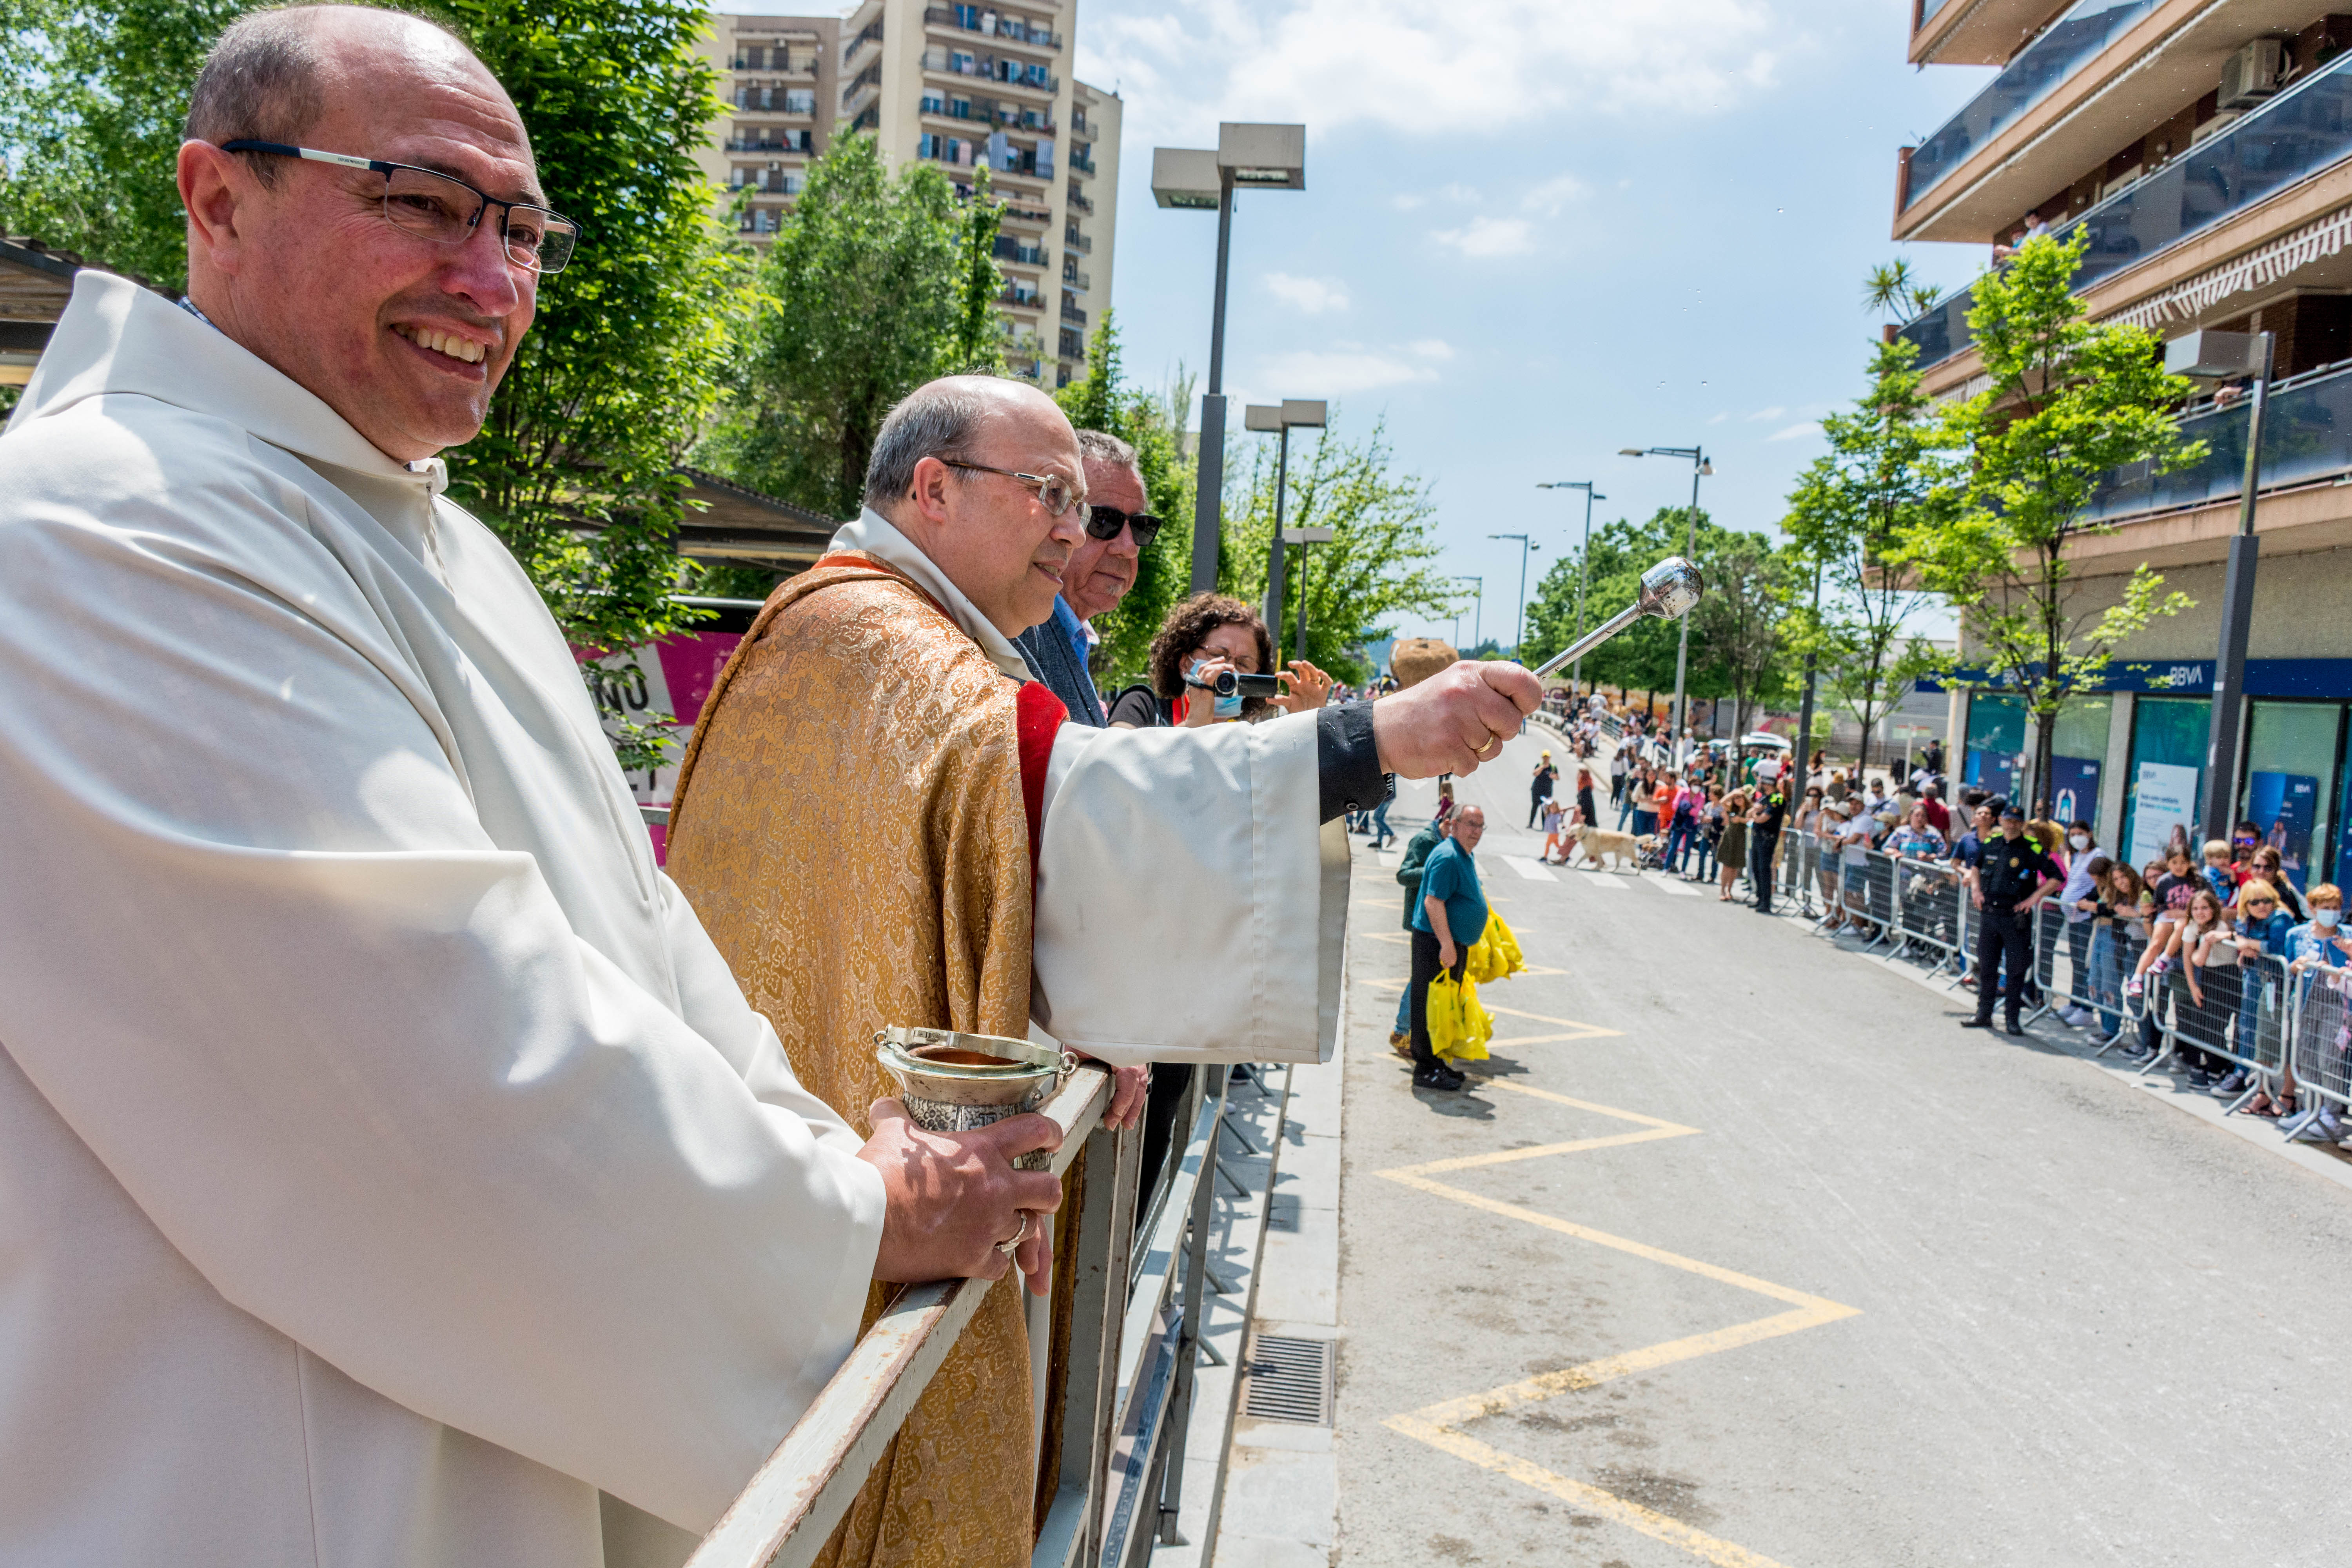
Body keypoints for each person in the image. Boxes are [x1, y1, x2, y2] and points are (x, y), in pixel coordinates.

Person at [0, 10, 1078, 1563]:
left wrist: (841, 1168)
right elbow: (429, 1057)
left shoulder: (438, 536)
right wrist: (859, 1218)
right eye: (422, 203)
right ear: (215, 198)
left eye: (520, 229)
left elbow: (642, 949)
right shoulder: (111, 526)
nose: (492, 281)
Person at [663, 377, 1534, 1564]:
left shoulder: (851, 627)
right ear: (931, 487)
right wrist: (1368, 739)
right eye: (1050, 496)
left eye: (1085, 506)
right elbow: (1077, 811)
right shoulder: (880, 642)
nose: (1073, 533)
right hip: (841, 1184)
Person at [1011, 428, 1152, 726]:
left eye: (1141, 527)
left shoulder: (1070, 632)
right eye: (1103, 521)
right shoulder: (1015, 626)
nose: (1128, 548)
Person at [1962, 804, 2062, 1035]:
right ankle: (1983, 1015)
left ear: (2022, 823)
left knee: (2015, 971)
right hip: (1990, 914)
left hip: (2016, 917)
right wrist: (1976, 890)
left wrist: (2034, 898)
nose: (2011, 824)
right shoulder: (1991, 843)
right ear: (2002, 821)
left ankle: (2012, 1020)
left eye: (2016, 821)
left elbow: (2057, 877)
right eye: (2008, 820)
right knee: (1987, 967)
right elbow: (1975, 868)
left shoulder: (2032, 847)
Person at [1410, 805, 1490, 1092]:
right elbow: (1434, 902)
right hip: (1435, 942)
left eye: (1481, 826)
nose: (1477, 831)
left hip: (1450, 942)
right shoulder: (1447, 856)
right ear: (1454, 824)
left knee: (1445, 1007)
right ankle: (1425, 1068)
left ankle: (1437, 1062)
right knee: (1430, 1006)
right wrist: (1446, 944)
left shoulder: (1462, 853)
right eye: (1471, 824)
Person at [1391, 811, 1452, 1054]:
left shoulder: (1448, 843)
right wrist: (1434, 871)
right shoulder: (1424, 841)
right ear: (1448, 823)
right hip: (1423, 920)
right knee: (1419, 978)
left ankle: (1415, 1030)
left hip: (1438, 922)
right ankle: (1402, 1032)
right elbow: (1404, 875)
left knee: (1425, 977)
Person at [2053, 820, 2102, 1029]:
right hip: (2073, 918)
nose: (2076, 837)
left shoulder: (2098, 856)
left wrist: (2085, 904)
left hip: (2085, 918)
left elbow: (2099, 886)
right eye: (2072, 834)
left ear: (2090, 834)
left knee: (2085, 964)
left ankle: (2086, 1008)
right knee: (2076, 962)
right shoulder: (2078, 855)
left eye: (2080, 833)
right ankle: (2075, 1002)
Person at [1717, 789, 1749, 902]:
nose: (1738, 800)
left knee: (1734, 867)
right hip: (1729, 838)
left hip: (1741, 839)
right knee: (1726, 866)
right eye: (1736, 798)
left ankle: (1729, 890)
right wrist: (1732, 793)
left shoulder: (1749, 810)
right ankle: (1722, 890)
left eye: (1740, 797)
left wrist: (1740, 820)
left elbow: (1752, 820)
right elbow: (1722, 802)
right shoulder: (1732, 808)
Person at [1529, 750, 1557, 828]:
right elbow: (1535, 773)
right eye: (1545, 757)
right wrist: (1543, 767)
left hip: (1547, 791)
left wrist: (1554, 776)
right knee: (1535, 807)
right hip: (1537, 790)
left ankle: (1544, 825)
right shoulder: (1539, 765)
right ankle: (1531, 823)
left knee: (1545, 808)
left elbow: (1557, 777)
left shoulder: (1553, 767)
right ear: (1542, 758)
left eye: (1548, 757)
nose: (1546, 759)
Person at [1576, 763, 1600, 830]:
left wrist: (1583, 816)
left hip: (1587, 820)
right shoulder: (1583, 788)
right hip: (1586, 818)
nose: (1577, 776)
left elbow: (1586, 803)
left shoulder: (1586, 789)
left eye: (1579, 775)